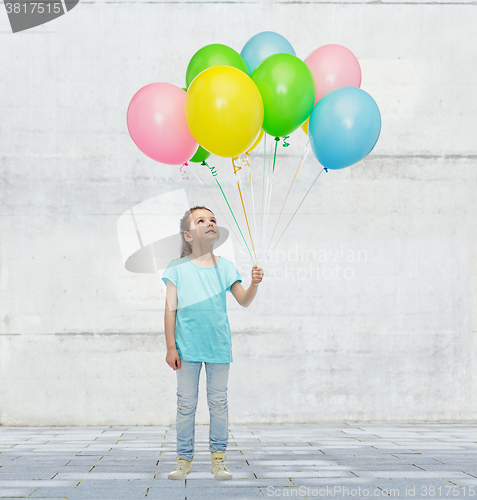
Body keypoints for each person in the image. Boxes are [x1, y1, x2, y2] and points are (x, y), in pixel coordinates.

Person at [162, 205, 264, 481]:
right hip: (186, 350)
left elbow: (243, 300)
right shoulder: (177, 269)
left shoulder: (227, 267)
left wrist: (254, 284)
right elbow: (170, 309)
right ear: (188, 235)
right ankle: (183, 459)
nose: (209, 223)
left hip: (218, 348)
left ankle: (218, 458)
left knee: (218, 403)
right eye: (201, 220)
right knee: (186, 404)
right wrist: (171, 347)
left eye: (213, 220)